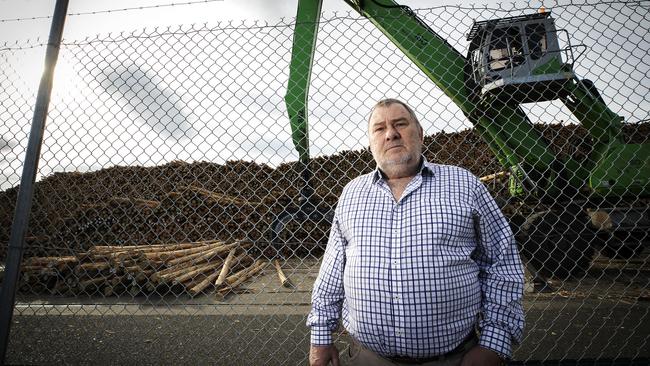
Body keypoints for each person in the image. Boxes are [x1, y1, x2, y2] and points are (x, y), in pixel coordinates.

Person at [307, 99, 525, 366]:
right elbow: (331, 272)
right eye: (379, 129)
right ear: (370, 143)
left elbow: (502, 264)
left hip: (454, 358)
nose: (391, 133)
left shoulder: (465, 185)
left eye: (400, 124)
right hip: (368, 358)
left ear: (420, 133)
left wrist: (493, 344)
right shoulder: (352, 193)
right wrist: (320, 337)